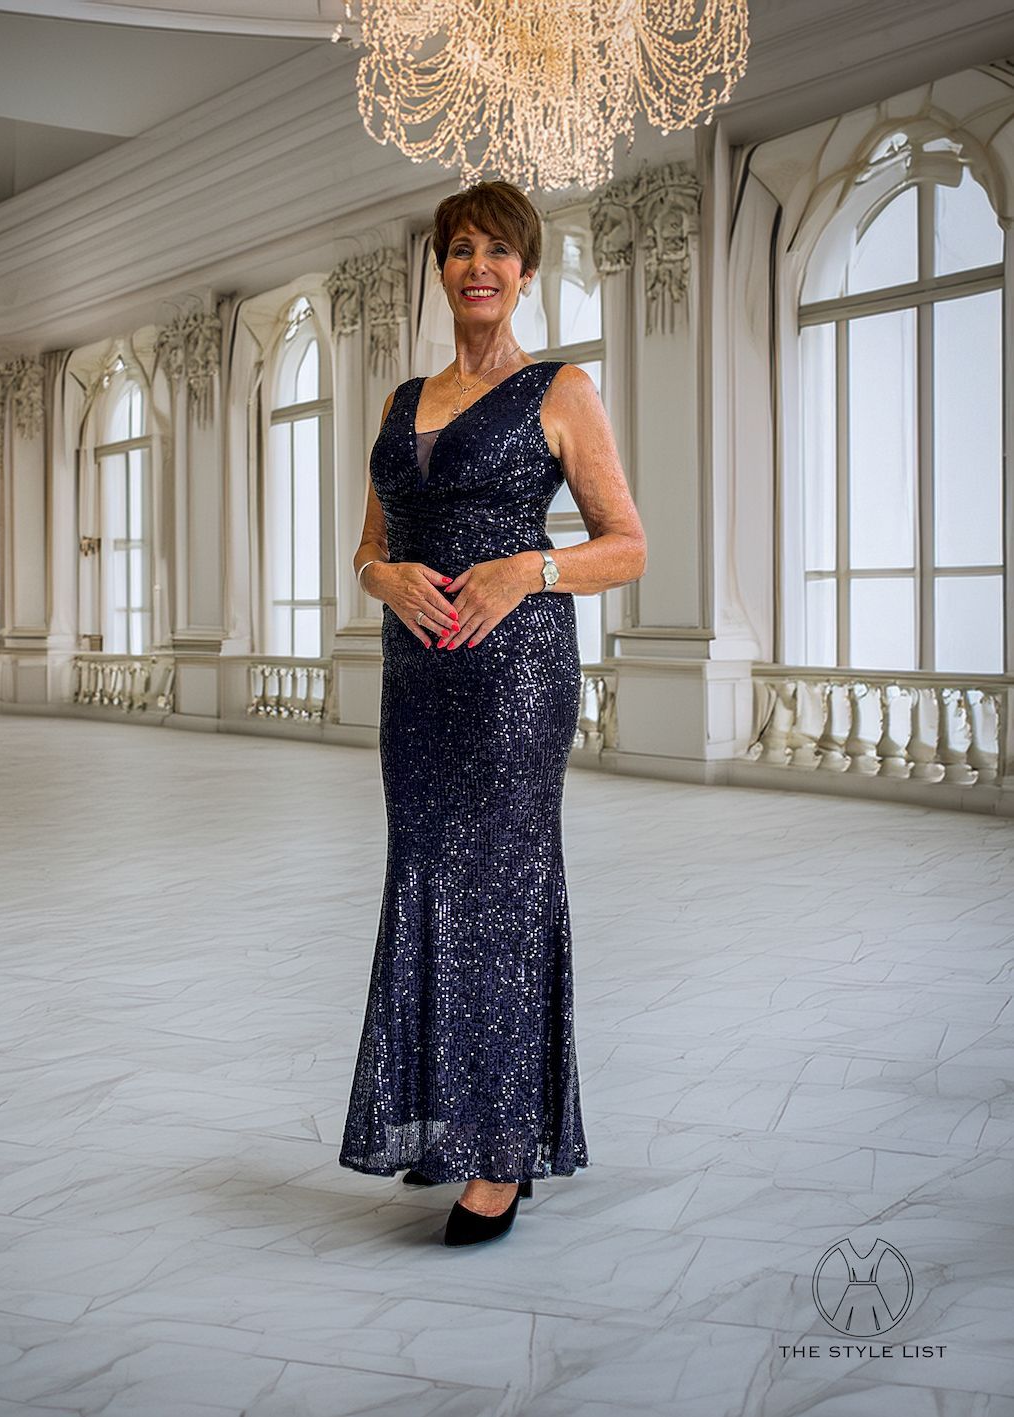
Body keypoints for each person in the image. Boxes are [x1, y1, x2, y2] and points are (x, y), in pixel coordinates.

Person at [338, 180, 647, 1247]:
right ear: (440, 267)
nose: (479, 265)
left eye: (498, 251)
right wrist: (381, 584)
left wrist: (532, 568)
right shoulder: (399, 400)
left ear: (525, 272)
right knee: (424, 878)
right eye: (461, 248)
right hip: (414, 677)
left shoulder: (558, 389)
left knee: (500, 895)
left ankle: (502, 1154)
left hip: (514, 674)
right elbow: (370, 551)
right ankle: (444, 1121)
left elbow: (627, 544)